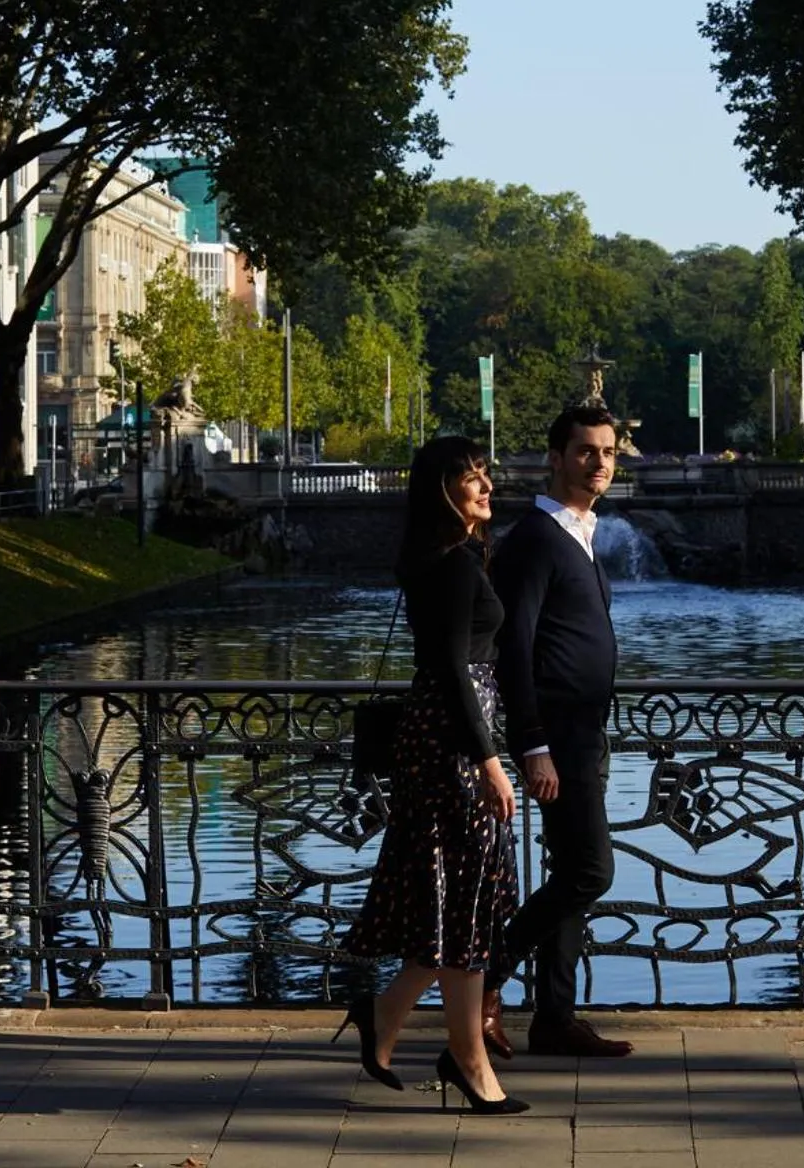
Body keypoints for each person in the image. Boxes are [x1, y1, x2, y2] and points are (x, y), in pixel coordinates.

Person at [339, 435, 527, 1115]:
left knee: (452, 892)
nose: (486, 488)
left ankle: (387, 1016)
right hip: (451, 745)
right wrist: (489, 763)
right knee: (466, 894)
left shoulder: (447, 559)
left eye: (485, 477)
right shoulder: (451, 567)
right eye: (472, 480)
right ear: (443, 493)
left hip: (442, 737)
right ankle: (467, 1060)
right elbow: (453, 673)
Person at [483, 403, 635, 1060]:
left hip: (584, 731)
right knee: (592, 871)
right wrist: (533, 745)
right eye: (585, 451)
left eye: (607, 451)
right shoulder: (536, 541)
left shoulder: (578, 534)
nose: (599, 462)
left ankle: (555, 1018)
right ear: (555, 457)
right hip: (560, 738)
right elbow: (513, 648)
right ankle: (483, 975)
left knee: (575, 869)